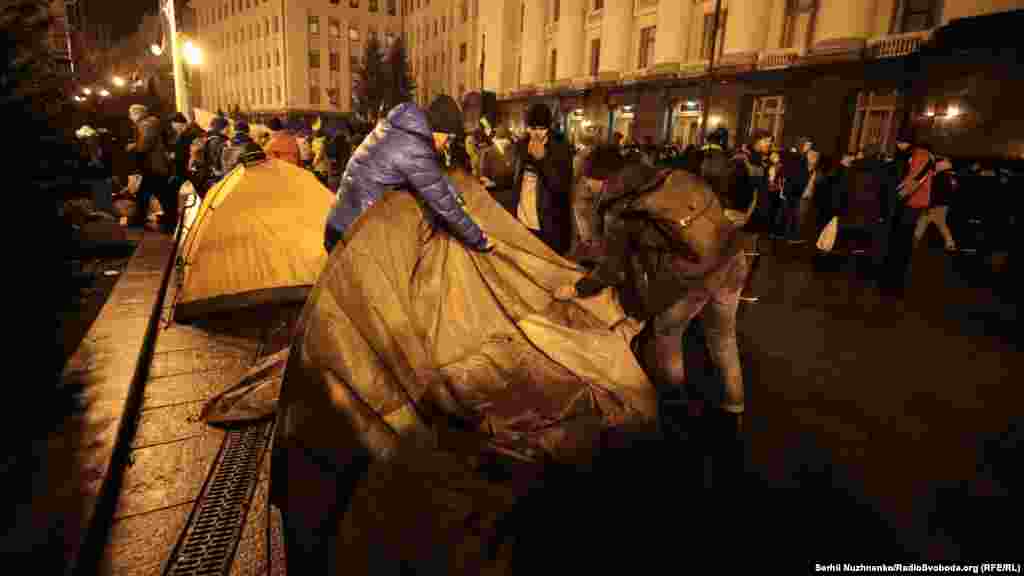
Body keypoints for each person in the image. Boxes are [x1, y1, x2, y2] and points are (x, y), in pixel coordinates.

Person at [323, 95, 492, 254]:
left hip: (339, 222)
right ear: (438, 131)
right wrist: (480, 240)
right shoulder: (414, 148)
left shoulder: (398, 130)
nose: (447, 144)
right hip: (354, 235)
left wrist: (458, 199)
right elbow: (443, 203)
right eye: (448, 138)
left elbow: (436, 178)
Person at [508, 103, 574, 256]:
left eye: (542, 128)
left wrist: (543, 159)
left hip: (548, 225)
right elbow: (516, 180)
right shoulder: (521, 146)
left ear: (548, 128)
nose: (537, 133)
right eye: (533, 128)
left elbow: (561, 188)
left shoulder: (560, 148)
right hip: (522, 220)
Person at [880, 130, 934, 293]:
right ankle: (893, 278)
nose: (897, 145)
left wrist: (895, 197)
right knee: (899, 241)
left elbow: (914, 181)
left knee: (901, 242)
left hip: (911, 204)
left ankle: (895, 281)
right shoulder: (913, 155)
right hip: (908, 203)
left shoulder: (921, 156)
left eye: (899, 141)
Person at [126, 104, 175, 233]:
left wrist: (134, 147)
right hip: (154, 165)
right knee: (151, 193)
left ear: (137, 114)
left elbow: (145, 143)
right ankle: (141, 220)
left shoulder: (146, 124)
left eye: (131, 114)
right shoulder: (149, 123)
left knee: (156, 194)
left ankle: (169, 221)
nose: (130, 117)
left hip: (154, 165)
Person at [914, 155, 957, 252]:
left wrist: (929, 204)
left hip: (936, 204)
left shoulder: (938, 177)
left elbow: (934, 192)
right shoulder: (949, 177)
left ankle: (915, 241)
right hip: (943, 204)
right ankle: (950, 244)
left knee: (924, 222)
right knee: (935, 223)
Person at [169, 112, 204, 197]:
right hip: (185, 169)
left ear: (179, 123)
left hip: (188, 169)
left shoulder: (190, 134)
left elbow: (191, 151)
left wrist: (176, 155)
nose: (173, 127)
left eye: (173, 124)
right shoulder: (183, 133)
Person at [197, 115, 230, 193]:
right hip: (217, 177)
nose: (229, 129)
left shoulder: (210, 138)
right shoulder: (218, 141)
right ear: (221, 128)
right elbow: (218, 161)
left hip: (210, 175)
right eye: (227, 127)